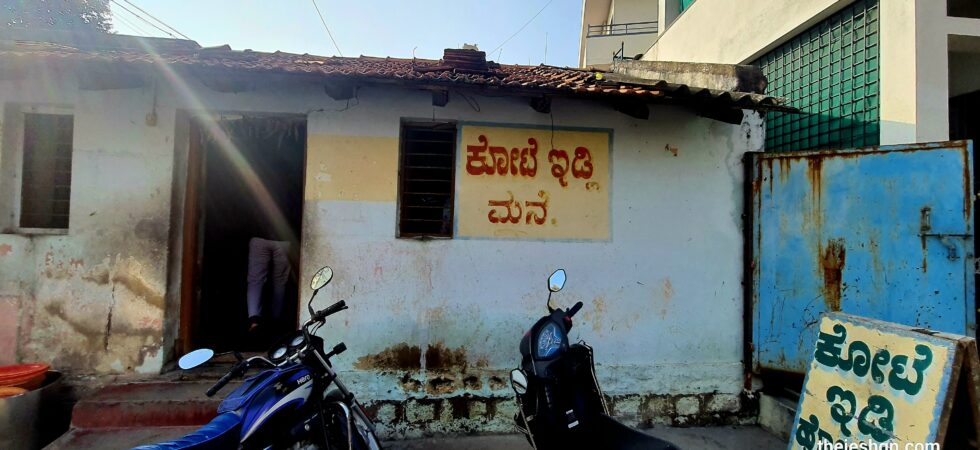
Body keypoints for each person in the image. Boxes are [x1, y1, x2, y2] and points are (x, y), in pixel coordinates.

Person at [246, 237, 291, 333]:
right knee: (280, 281)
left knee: (255, 280)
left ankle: (254, 322)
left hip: (259, 236)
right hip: (282, 239)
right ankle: (275, 323)